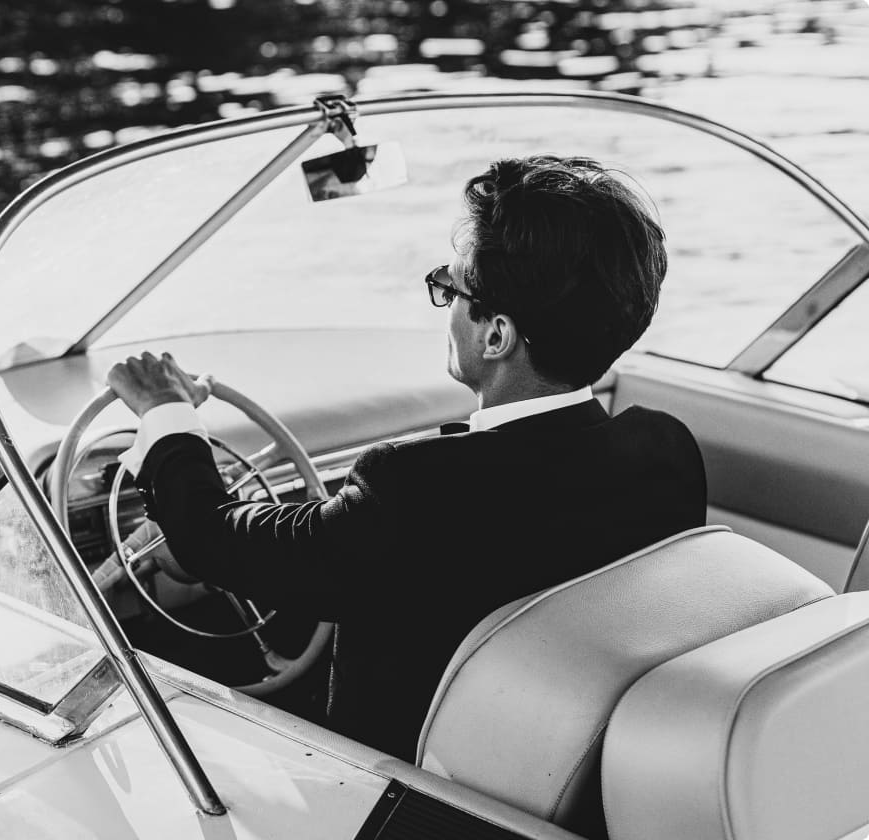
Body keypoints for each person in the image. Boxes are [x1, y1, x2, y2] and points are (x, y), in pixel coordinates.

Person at [106, 155, 707, 762]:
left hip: (399, 786)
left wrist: (166, 411)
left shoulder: (414, 491)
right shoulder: (664, 454)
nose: (444, 303)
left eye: (449, 288)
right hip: (555, 762)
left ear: (496, 336)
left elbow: (212, 537)